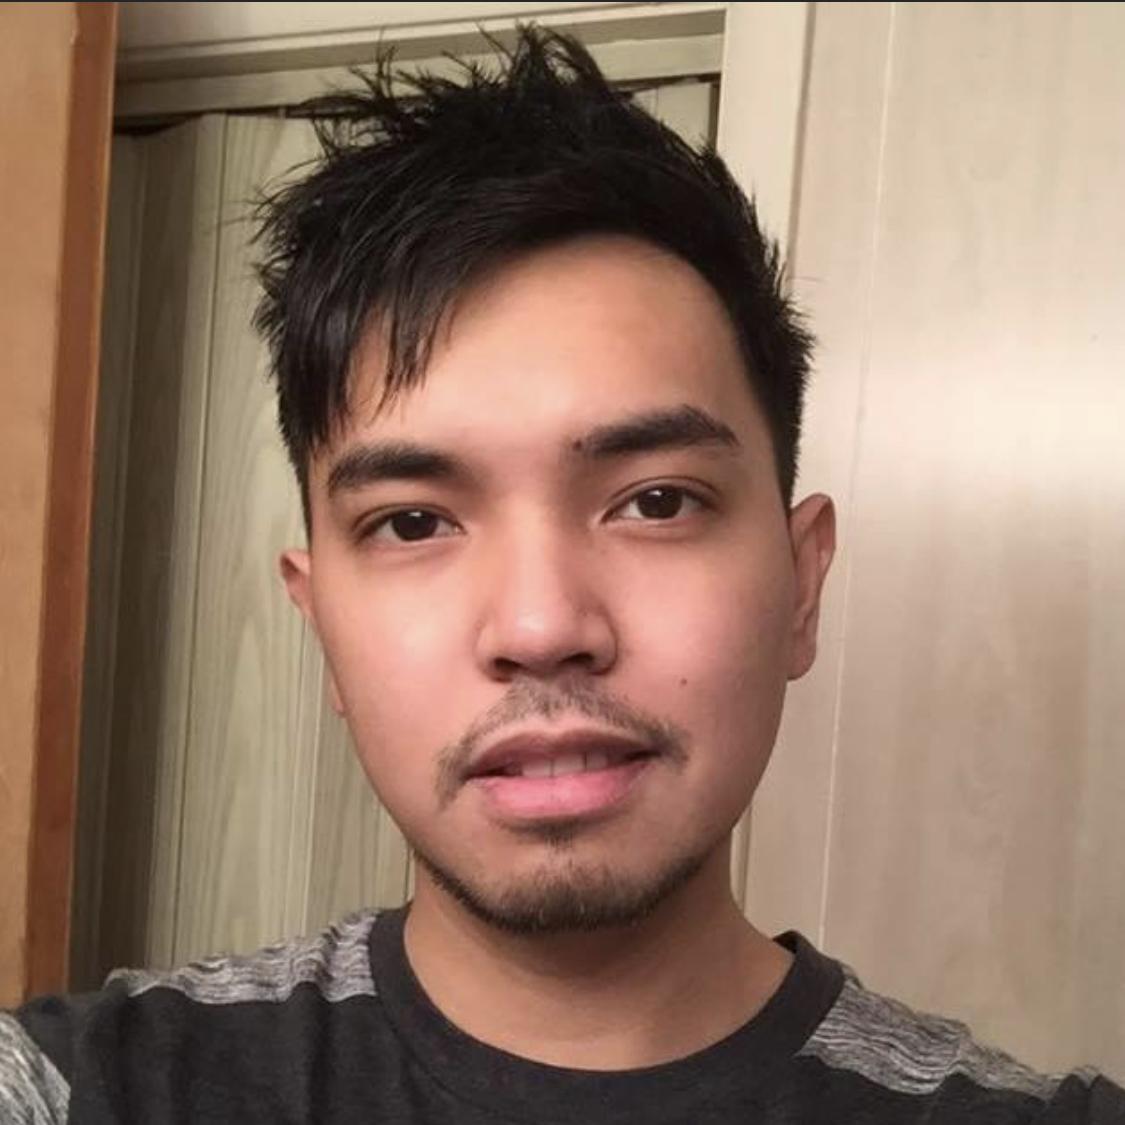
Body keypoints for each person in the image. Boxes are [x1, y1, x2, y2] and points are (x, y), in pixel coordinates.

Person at [3, 26, 1123, 1125]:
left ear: (801, 585)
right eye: (412, 522)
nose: (541, 626)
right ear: (321, 623)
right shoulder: (84, 1088)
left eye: (656, 501)